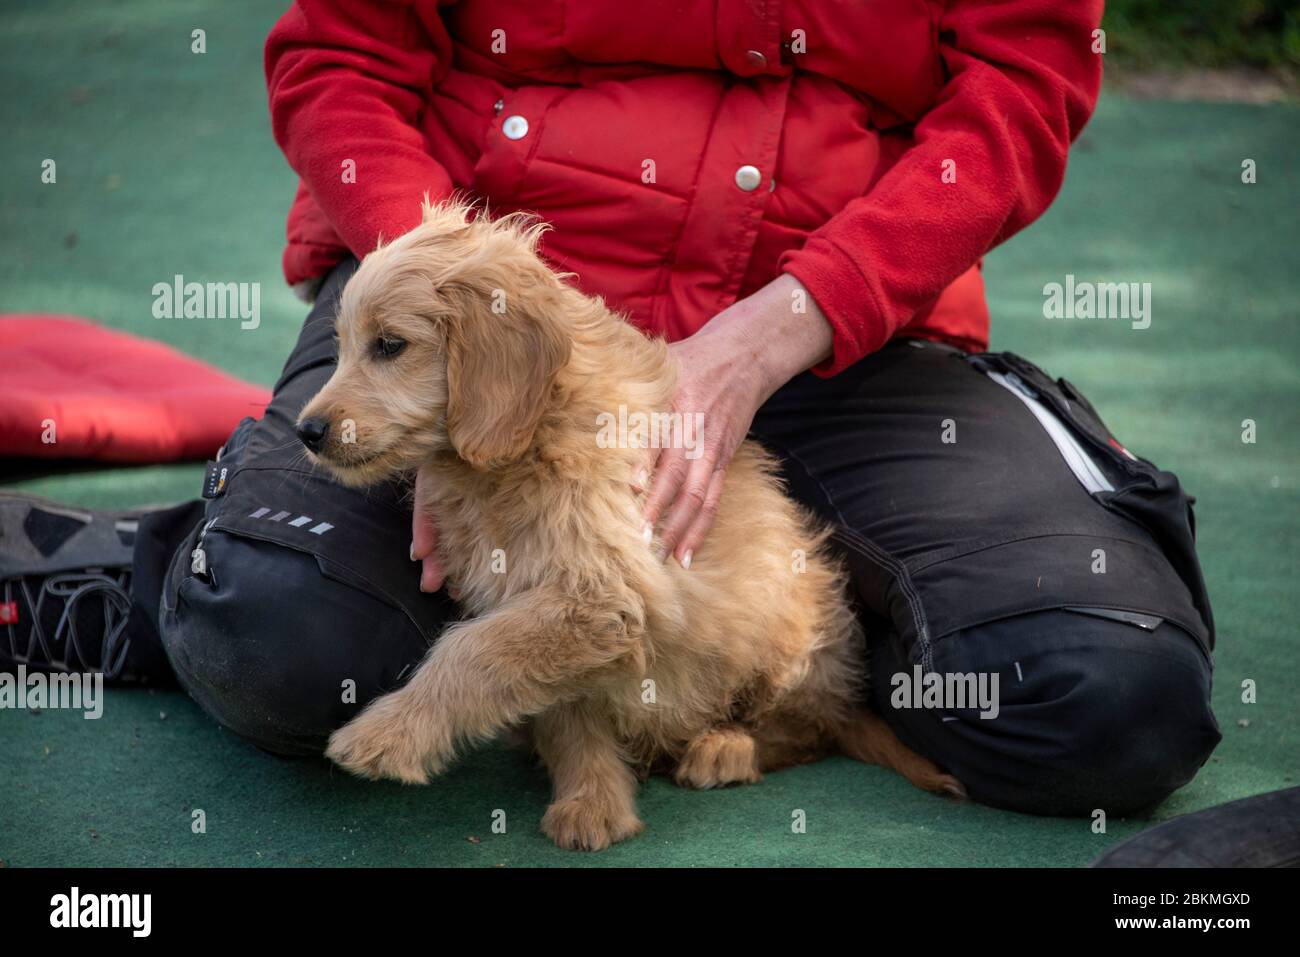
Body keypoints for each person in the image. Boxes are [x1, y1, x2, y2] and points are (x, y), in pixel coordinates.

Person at [0, 0, 1220, 815]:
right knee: (281, 650)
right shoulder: (466, 326)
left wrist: (788, 321)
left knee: (1101, 699)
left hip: (849, 326)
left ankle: (808, 626)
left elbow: (1024, 81)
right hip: (483, 302)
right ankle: (160, 569)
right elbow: (340, 53)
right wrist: (463, 357)